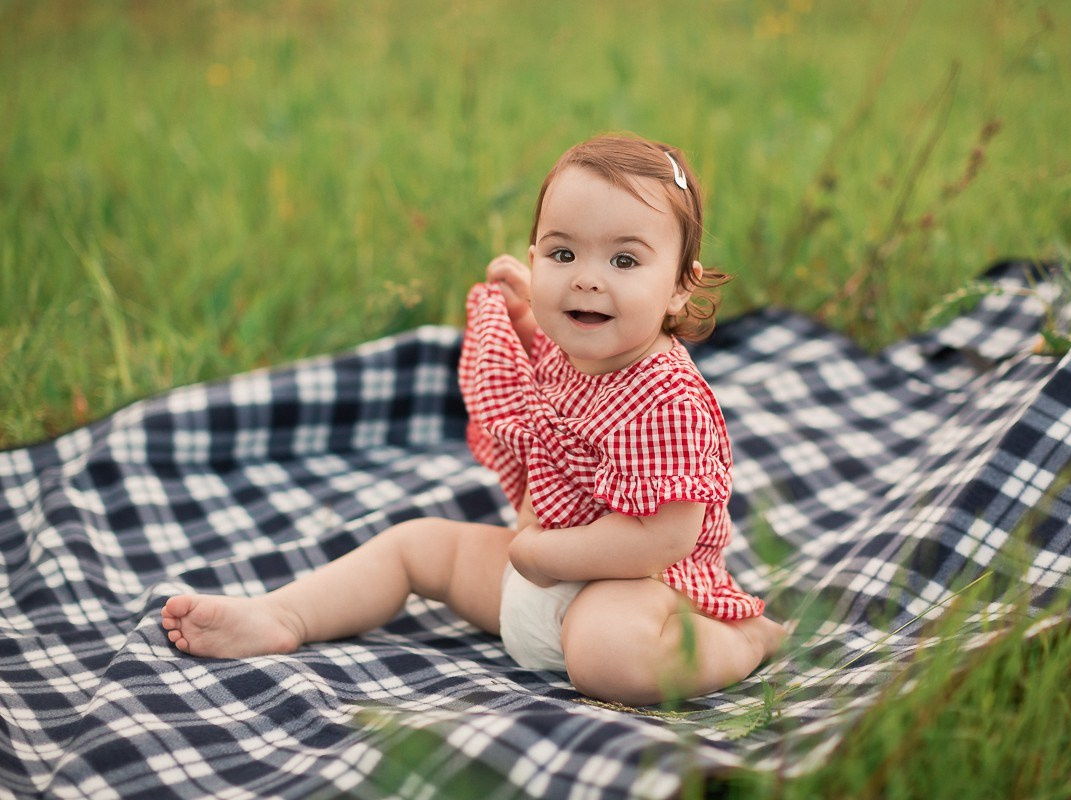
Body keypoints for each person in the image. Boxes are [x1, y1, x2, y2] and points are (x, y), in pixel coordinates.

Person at [162, 133, 785, 706]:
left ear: (680, 286)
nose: (588, 281)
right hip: (532, 573)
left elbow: (666, 536)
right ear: (536, 256)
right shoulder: (583, 347)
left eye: (624, 262)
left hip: (640, 586)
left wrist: (549, 555)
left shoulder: (666, 398)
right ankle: (284, 616)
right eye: (564, 253)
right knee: (415, 545)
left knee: (607, 656)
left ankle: (745, 641)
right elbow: (553, 359)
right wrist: (527, 315)